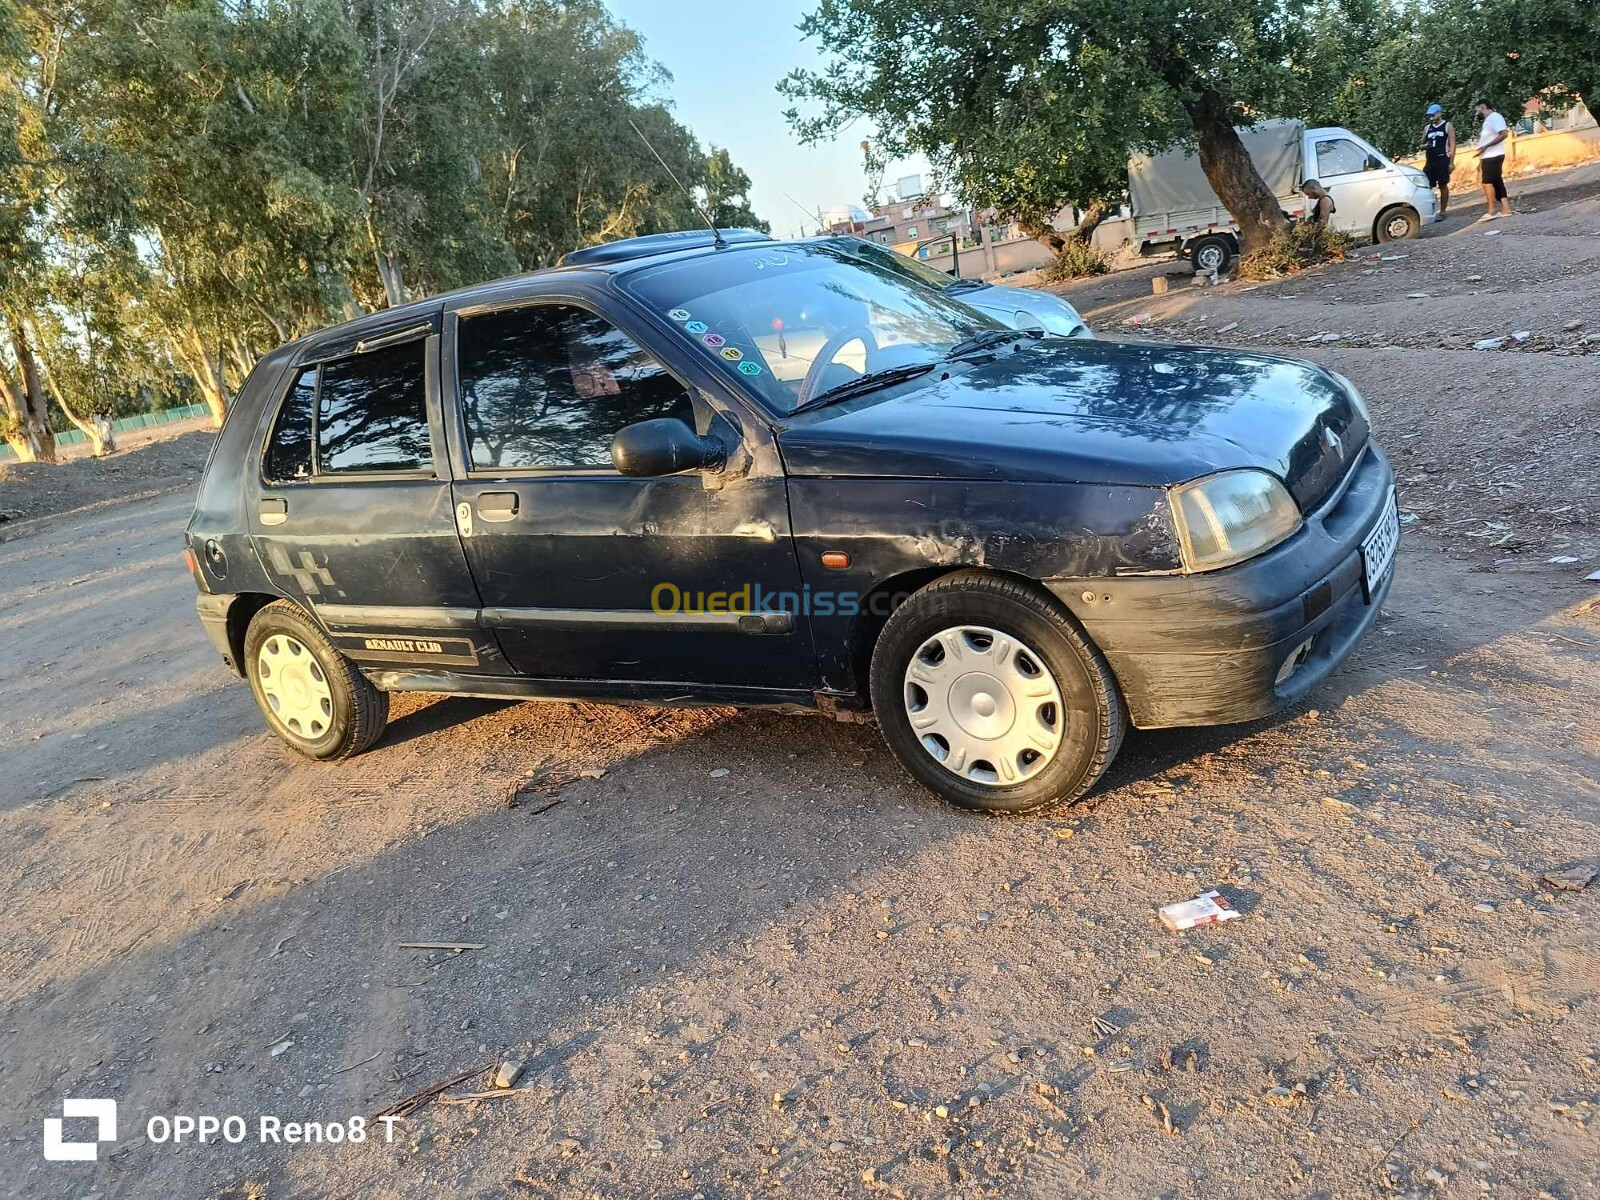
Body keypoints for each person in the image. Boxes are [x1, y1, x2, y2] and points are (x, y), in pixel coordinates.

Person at [1475, 101, 1512, 219]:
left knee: (1487, 182)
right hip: (1489, 155)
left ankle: (1491, 211)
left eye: (1478, 110)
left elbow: (1504, 134)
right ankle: (1506, 209)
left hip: (1494, 155)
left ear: (1483, 108)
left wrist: (1486, 146)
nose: (1477, 113)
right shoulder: (1490, 120)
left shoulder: (1494, 118)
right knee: (1496, 181)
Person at [1419, 104, 1455, 221]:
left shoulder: (1447, 126)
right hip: (1430, 160)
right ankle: (1429, 211)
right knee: (1427, 186)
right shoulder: (1427, 128)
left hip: (1442, 159)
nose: (1431, 118)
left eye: (1433, 115)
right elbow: (1420, 145)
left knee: (1443, 185)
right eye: (1429, 116)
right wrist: (1425, 146)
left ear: (1439, 113)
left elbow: (1452, 144)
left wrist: (1451, 162)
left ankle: (1443, 211)